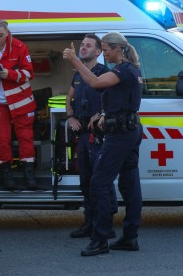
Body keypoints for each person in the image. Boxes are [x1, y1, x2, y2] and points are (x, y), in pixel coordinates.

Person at [63, 32, 143, 257]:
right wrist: (104, 113)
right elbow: (119, 99)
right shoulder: (130, 70)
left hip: (120, 134)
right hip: (128, 129)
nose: (104, 52)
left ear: (118, 49)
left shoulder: (122, 70)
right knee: (129, 183)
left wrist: (74, 60)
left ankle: (100, 239)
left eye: (106, 49)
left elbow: (95, 82)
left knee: (98, 182)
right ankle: (129, 237)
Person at [65, 34, 117, 239]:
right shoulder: (78, 74)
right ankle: (89, 222)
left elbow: (113, 100)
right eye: (82, 45)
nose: (83, 48)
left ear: (98, 52)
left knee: (101, 180)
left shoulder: (104, 73)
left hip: (100, 136)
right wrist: (70, 117)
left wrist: (101, 114)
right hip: (83, 135)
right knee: (86, 180)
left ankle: (106, 224)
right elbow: (69, 98)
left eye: (89, 46)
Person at [0, 19, 37, 190]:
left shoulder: (20, 47)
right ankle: (7, 176)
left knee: (25, 138)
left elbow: (29, 73)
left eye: (0, 35)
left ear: (7, 33)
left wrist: (9, 74)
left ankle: (29, 175)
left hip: (20, 102)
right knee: (1, 140)